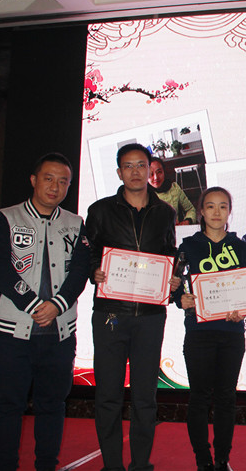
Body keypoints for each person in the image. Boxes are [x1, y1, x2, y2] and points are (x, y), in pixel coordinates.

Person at [0, 152, 90, 471]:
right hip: (13, 333)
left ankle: (47, 465)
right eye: (48, 178)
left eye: (63, 181)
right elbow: (0, 269)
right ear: (34, 180)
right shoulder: (7, 218)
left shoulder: (75, 223)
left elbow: (80, 270)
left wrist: (57, 305)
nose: (55, 187)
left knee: (53, 405)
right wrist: (33, 304)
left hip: (59, 334)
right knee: (8, 404)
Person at [86, 143, 180, 471]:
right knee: (108, 395)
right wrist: (94, 270)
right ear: (119, 172)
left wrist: (173, 278)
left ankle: (141, 464)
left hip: (150, 316)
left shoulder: (165, 212)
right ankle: (112, 465)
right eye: (128, 166)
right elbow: (88, 253)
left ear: (150, 169)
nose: (136, 172)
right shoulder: (100, 211)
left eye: (141, 165)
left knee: (145, 397)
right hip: (111, 314)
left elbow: (169, 254)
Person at [172, 187, 246, 471]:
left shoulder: (242, 248)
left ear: (230, 211)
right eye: (210, 206)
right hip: (199, 333)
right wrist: (180, 299)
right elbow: (174, 284)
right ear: (201, 211)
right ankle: (202, 459)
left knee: (226, 398)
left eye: (222, 206)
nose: (217, 212)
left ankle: (222, 458)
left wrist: (244, 307)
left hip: (232, 334)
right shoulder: (188, 247)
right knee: (199, 397)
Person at [148, 156, 197, 225]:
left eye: (159, 172)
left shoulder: (174, 188)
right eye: (151, 174)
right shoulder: (142, 195)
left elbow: (190, 209)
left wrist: (187, 221)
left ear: (164, 172)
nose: (156, 177)